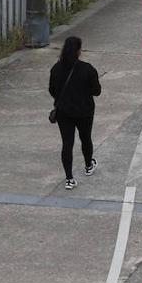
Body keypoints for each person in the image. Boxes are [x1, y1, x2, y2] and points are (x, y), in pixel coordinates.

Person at [49, 36, 103, 190]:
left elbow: (52, 90)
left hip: (64, 113)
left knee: (67, 143)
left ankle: (69, 178)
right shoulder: (88, 69)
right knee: (85, 139)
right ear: (79, 51)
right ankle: (88, 165)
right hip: (85, 112)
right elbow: (97, 91)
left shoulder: (56, 69)